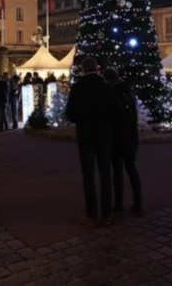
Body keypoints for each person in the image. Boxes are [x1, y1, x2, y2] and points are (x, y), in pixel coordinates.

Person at [65, 57, 116, 227]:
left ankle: (91, 214)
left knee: (88, 176)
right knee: (105, 174)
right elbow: (113, 111)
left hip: (86, 135)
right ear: (97, 68)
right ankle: (107, 213)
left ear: (82, 69)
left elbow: (70, 114)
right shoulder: (106, 87)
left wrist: (83, 117)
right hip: (104, 135)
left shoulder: (78, 88)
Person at [103, 68, 142, 216]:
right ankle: (138, 203)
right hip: (131, 137)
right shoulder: (128, 92)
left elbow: (110, 117)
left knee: (117, 171)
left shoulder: (111, 94)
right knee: (131, 169)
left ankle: (119, 203)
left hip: (116, 138)